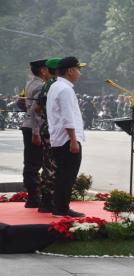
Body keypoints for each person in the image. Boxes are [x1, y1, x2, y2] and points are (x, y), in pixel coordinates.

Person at [46, 56, 86, 218]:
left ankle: (59, 207)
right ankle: (61, 209)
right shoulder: (65, 89)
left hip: (59, 139)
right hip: (67, 140)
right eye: (78, 69)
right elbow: (68, 117)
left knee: (62, 175)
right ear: (70, 71)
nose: (79, 73)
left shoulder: (56, 86)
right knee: (67, 176)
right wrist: (74, 140)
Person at [32, 57, 61, 213]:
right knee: (52, 166)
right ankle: (48, 201)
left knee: (48, 165)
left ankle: (47, 200)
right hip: (52, 131)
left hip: (46, 129)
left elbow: (37, 108)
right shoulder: (54, 85)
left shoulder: (47, 85)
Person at [22, 59, 49, 208]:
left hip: (29, 126)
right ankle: (33, 198)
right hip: (34, 127)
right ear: (43, 71)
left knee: (31, 162)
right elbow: (35, 111)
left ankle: (33, 197)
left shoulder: (31, 82)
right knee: (34, 163)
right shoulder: (40, 85)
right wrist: (36, 132)